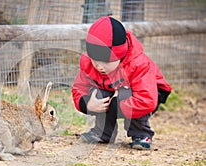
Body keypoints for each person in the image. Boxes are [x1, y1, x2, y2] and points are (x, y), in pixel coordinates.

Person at [72, 16, 172, 150]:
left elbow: (146, 99)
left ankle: (141, 134)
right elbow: (79, 88)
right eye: (95, 61)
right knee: (99, 94)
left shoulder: (138, 65)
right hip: (117, 88)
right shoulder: (89, 64)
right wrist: (87, 104)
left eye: (106, 62)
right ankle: (104, 132)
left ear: (120, 56)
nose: (99, 67)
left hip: (150, 94)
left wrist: (117, 107)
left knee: (127, 94)